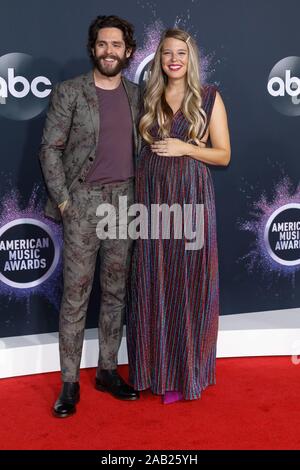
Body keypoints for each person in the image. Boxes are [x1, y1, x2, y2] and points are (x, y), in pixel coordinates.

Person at [39, 15, 140, 418]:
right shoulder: (70, 92)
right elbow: (49, 149)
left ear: (128, 51)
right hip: (82, 203)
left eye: (116, 45)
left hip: (125, 204)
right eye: (102, 44)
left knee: (116, 293)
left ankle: (108, 371)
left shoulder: (137, 94)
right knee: (76, 297)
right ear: (92, 48)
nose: (109, 51)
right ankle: (69, 383)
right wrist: (64, 203)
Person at [126, 28, 231, 403]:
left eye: (181, 53)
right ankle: (153, 369)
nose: (174, 59)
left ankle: (186, 372)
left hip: (191, 198)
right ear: (159, 59)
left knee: (188, 280)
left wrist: (187, 147)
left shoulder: (208, 96)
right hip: (152, 197)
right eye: (167, 53)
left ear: (191, 59)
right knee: (152, 277)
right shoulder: (147, 98)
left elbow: (223, 155)